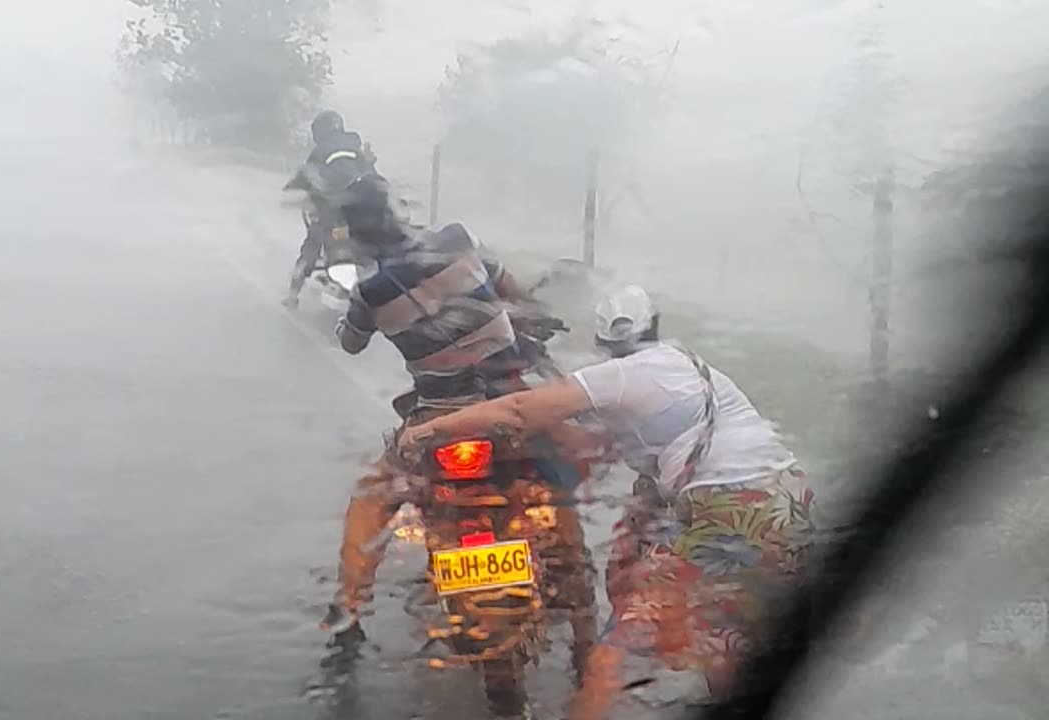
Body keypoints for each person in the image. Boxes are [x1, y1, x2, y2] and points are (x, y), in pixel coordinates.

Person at [399, 285, 816, 716]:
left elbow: (521, 411)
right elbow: (599, 451)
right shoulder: (688, 370)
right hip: (785, 502)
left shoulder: (624, 373)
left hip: (733, 512)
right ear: (653, 325)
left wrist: (429, 430)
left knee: (612, 659)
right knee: (725, 637)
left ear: (605, 344)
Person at [323, 173, 599, 675]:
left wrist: (353, 315)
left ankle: (349, 609)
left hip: (440, 422)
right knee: (562, 501)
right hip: (514, 405)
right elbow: (514, 294)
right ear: (398, 210)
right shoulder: (456, 239)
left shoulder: (368, 292)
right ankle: (586, 635)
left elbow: (351, 343)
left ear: (357, 234)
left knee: (371, 500)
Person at [282, 110, 376, 307]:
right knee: (373, 245)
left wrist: (289, 190)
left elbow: (304, 177)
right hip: (359, 211)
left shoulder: (320, 151)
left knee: (311, 247)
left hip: (330, 212)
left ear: (319, 131)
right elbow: (371, 174)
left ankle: (293, 294)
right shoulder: (355, 146)